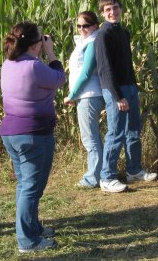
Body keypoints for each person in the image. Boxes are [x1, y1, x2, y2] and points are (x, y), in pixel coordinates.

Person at [0, 22, 66, 253]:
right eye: (41, 42)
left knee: (24, 184)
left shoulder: (7, 64)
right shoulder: (34, 67)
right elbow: (59, 78)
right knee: (31, 186)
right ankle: (27, 240)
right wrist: (51, 52)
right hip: (34, 134)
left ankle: (32, 227)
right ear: (36, 44)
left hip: (11, 132)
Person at [94, 0, 157, 193]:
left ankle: (134, 170)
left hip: (129, 87)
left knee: (133, 131)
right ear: (102, 13)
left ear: (121, 9)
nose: (112, 12)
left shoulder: (123, 32)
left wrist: (133, 88)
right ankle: (107, 177)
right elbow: (105, 69)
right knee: (116, 133)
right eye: (108, 10)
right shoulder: (103, 35)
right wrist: (117, 96)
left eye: (115, 8)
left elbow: (126, 64)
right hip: (115, 90)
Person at [64, 11, 105, 189]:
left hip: (88, 95)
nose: (82, 29)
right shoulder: (85, 41)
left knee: (90, 138)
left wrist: (72, 95)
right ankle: (100, 173)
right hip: (87, 95)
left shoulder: (92, 42)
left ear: (95, 25)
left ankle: (93, 178)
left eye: (86, 26)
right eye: (79, 26)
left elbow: (86, 72)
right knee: (92, 137)